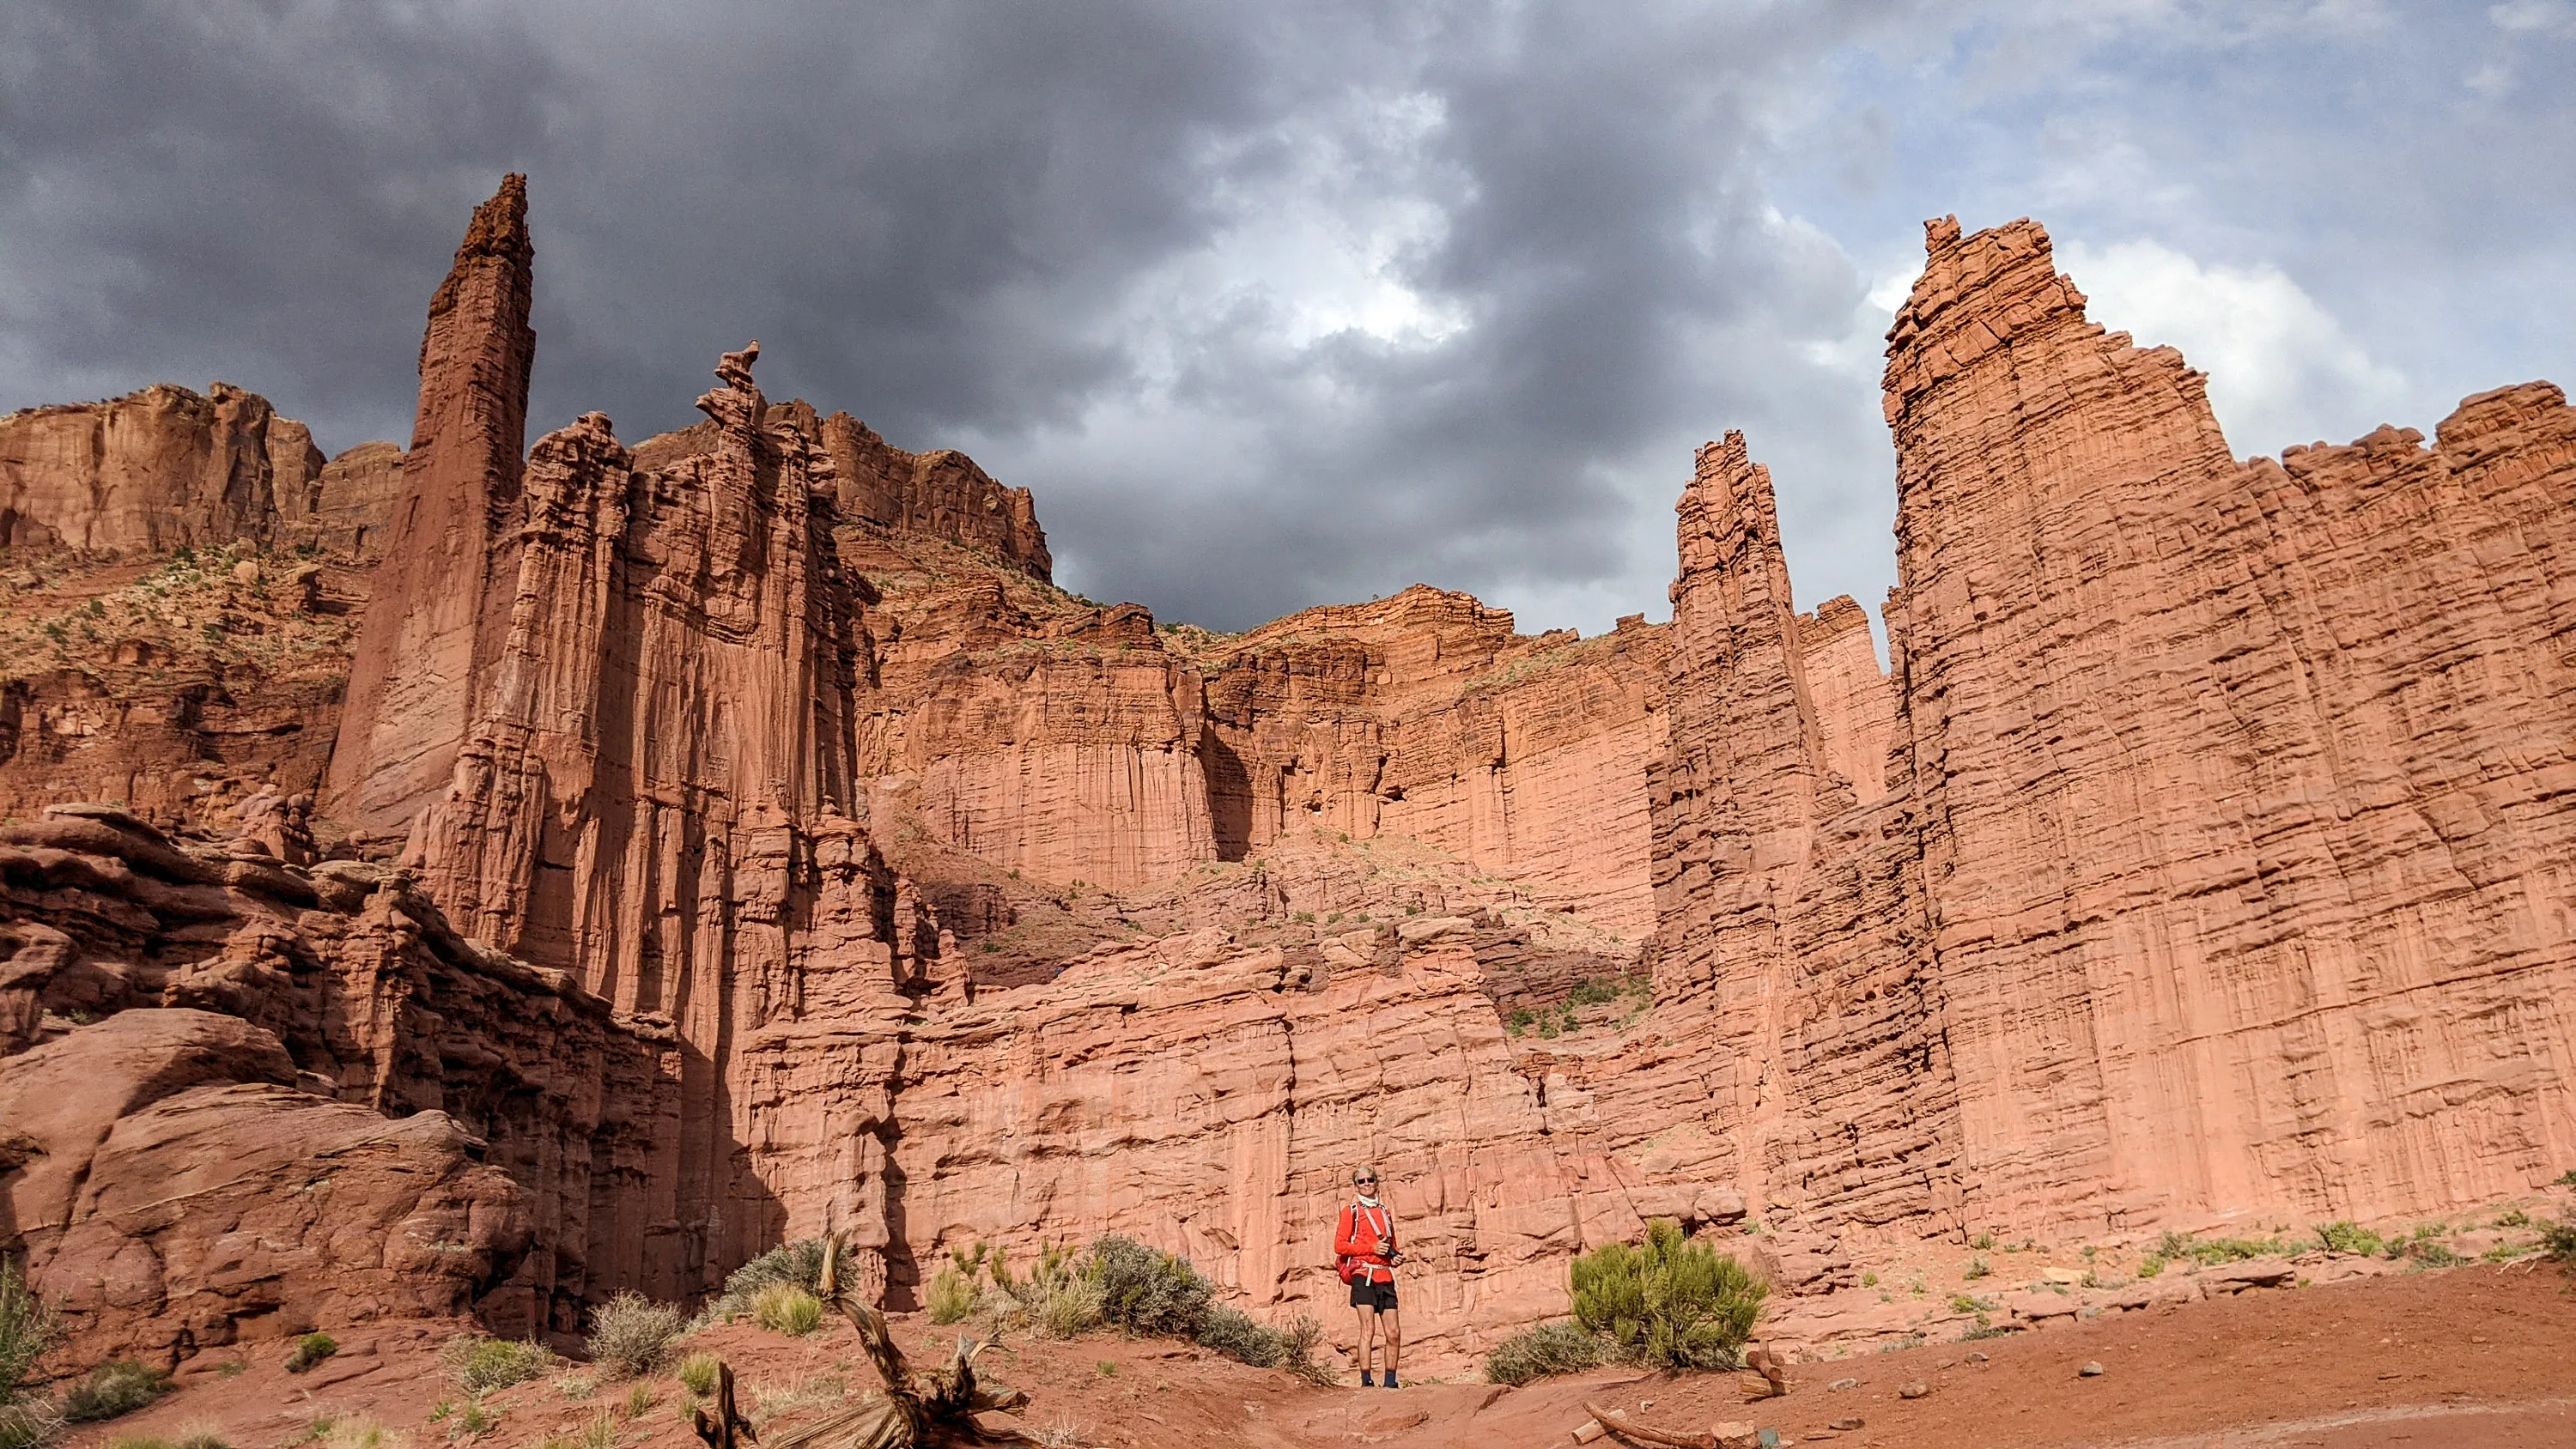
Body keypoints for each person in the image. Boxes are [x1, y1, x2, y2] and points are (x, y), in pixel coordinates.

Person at [1334, 1167, 1403, 1388]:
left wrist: (1396, 1257)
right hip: (1363, 1275)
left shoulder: (1385, 1212)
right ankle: (1367, 1382)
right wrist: (1371, 1248)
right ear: (1356, 1186)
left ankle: (1390, 1383)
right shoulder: (1351, 1212)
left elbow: (1391, 1245)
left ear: (1376, 1183)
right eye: (1361, 1181)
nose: (1366, 1184)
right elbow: (1340, 1246)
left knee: (1393, 1332)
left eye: (1370, 1180)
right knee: (1368, 1329)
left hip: (1385, 1276)